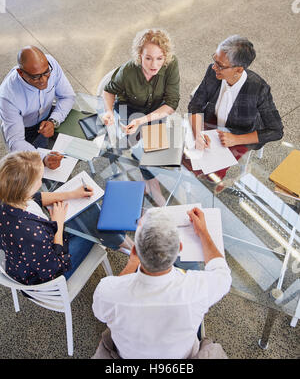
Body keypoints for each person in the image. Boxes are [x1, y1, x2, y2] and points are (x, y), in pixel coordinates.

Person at [92, 206, 231, 359]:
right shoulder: (197, 289)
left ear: (134, 251)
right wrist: (203, 232)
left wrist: (132, 263)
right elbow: (222, 273)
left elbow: (100, 315)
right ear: (180, 248)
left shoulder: (107, 292)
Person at [0, 151, 132, 285]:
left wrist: (73, 194)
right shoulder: (32, 234)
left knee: (86, 218)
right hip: (49, 276)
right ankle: (132, 249)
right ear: (26, 188)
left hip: (28, 257)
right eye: (39, 179)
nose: (41, 182)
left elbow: (37, 198)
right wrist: (58, 223)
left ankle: (124, 244)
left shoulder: (9, 199)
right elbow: (55, 267)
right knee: (94, 225)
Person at [102, 28, 180, 205]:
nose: (154, 64)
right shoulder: (128, 71)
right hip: (129, 108)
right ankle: (150, 185)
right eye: (148, 58)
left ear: (165, 57)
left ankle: (151, 184)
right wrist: (108, 111)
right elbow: (108, 91)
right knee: (140, 143)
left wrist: (143, 121)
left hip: (156, 110)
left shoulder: (171, 64)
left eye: (160, 58)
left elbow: (172, 103)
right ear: (139, 55)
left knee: (153, 149)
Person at [188, 35, 283, 152]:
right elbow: (196, 104)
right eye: (214, 59)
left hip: (240, 134)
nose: (213, 67)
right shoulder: (213, 72)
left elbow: (276, 131)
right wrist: (198, 135)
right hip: (212, 124)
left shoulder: (259, 88)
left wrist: (236, 139)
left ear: (239, 69)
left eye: (220, 65)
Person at [0, 46, 76, 170]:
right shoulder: (7, 96)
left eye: (46, 73)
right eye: (35, 77)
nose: (44, 80)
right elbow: (16, 142)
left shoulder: (51, 63)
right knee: (29, 170)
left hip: (48, 116)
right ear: (20, 73)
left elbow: (67, 96)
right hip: (24, 130)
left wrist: (53, 121)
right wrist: (43, 157)